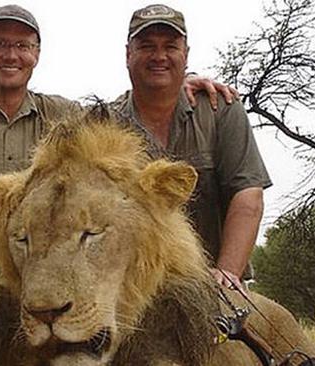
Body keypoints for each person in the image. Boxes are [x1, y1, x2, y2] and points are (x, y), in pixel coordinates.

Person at [0, 4, 236, 346]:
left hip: (16, 293)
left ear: (36, 54)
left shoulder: (62, 118)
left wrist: (172, 84)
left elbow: (117, 132)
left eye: (23, 46)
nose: (11, 55)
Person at [111, 4, 272, 291]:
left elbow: (248, 195)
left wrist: (227, 275)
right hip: (134, 288)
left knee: (276, 332)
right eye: (146, 46)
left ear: (185, 54)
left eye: (170, 46)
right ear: (127, 55)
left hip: (214, 282)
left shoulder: (222, 109)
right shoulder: (105, 122)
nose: (159, 56)